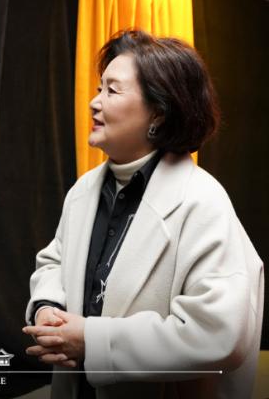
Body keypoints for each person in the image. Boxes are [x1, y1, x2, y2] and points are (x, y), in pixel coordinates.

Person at [23, 30, 264, 399]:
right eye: (99, 88)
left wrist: (93, 341)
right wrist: (47, 308)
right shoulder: (84, 190)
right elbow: (54, 260)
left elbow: (218, 334)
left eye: (112, 91)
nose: (93, 102)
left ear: (158, 113)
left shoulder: (203, 201)